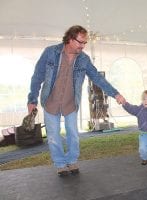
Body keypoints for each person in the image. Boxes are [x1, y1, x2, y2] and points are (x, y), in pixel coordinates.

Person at [27, 25, 126, 176]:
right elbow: (37, 76)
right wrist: (32, 99)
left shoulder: (84, 59)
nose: (83, 46)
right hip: (50, 102)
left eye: (85, 43)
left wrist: (116, 94)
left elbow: (97, 78)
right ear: (70, 39)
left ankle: (72, 161)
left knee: (73, 134)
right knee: (53, 136)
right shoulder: (50, 52)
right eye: (80, 42)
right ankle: (60, 163)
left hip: (71, 104)